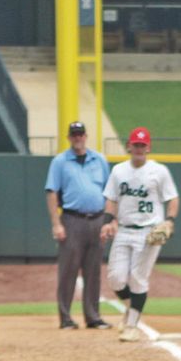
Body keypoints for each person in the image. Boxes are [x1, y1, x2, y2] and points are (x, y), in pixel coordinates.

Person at [100, 126, 179, 342]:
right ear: (129, 146)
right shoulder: (118, 171)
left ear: (149, 147)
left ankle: (132, 325)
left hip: (149, 232)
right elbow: (111, 198)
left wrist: (169, 221)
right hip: (124, 229)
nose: (139, 148)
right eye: (136, 144)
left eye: (143, 145)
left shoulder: (159, 171)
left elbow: (172, 198)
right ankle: (131, 308)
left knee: (138, 278)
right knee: (115, 279)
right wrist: (107, 222)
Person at [44, 120, 112, 330]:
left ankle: (93, 317)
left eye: (81, 134)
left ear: (86, 135)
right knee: (68, 270)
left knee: (93, 270)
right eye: (74, 134)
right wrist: (56, 223)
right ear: (69, 137)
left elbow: (110, 192)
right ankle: (65, 317)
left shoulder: (99, 159)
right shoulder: (60, 161)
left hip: (97, 219)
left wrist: (108, 221)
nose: (78, 138)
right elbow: (52, 192)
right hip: (72, 219)